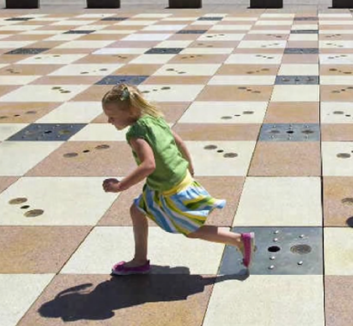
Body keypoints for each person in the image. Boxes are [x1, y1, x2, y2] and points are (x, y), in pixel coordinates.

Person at [101, 84, 253, 275]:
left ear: (130, 111)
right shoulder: (154, 119)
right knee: (137, 210)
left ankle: (238, 240)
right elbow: (178, 142)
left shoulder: (135, 134)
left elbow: (149, 165)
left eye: (111, 116)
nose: (108, 120)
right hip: (168, 182)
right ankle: (139, 260)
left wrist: (120, 186)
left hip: (170, 189)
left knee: (191, 230)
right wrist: (189, 166)